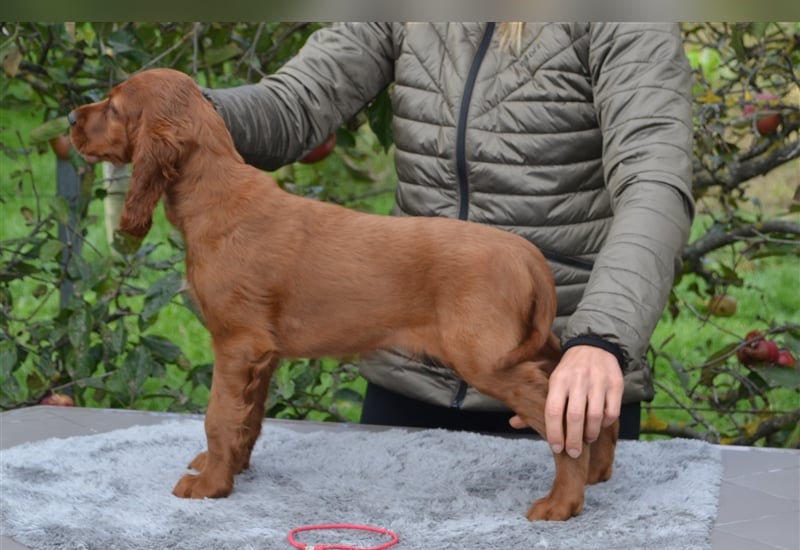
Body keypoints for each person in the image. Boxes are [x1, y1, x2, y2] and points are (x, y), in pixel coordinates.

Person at [201, 22, 695, 458]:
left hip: (560, 385)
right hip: (408, 385)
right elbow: (294, 105)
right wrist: (175, 109)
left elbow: (654, 186)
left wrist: (600, 338)